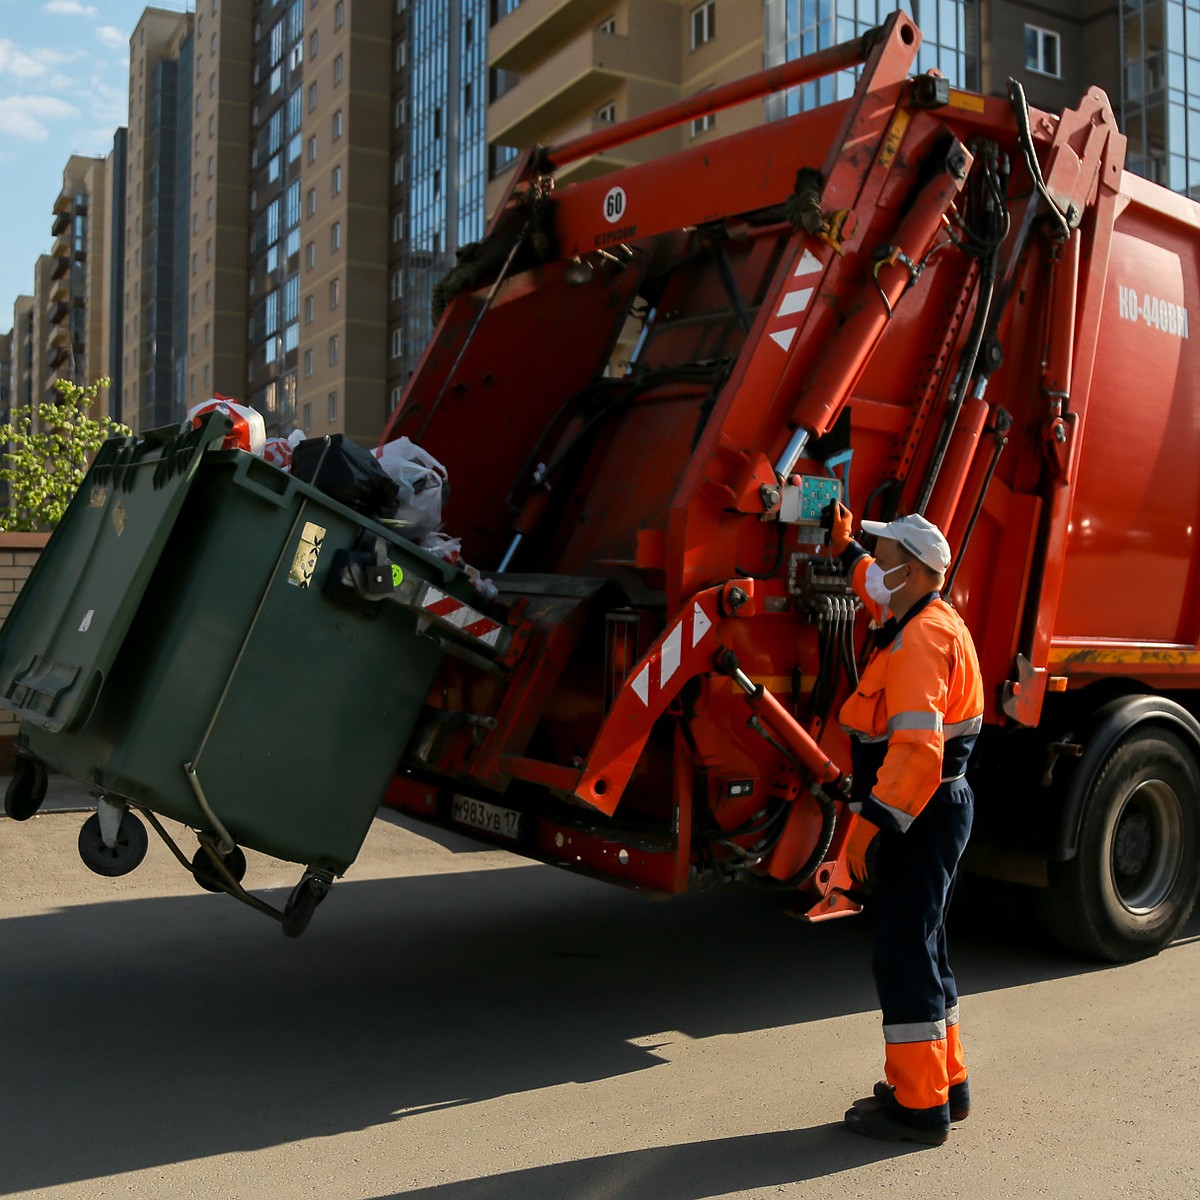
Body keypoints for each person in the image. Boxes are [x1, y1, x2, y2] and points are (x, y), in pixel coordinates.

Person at [829, 503, 984, 1146]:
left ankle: (919, 1108)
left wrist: (867, 829)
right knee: (926, 943)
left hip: (915, 813)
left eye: (889, 558)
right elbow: (873, 586)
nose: (879, 569)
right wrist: (846, 548)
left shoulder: (921, 639)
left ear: (916, 570)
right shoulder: (921, 613)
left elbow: (917, 753)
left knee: (902, 953)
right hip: (935, 809)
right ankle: (947, 1082)